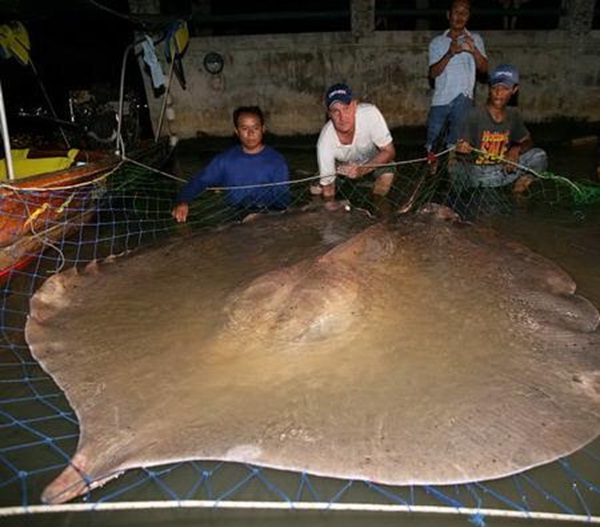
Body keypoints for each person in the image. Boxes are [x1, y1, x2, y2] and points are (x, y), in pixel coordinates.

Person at [172, 106, 290, 223]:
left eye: (255, 128)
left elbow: (283, 200)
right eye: (244, 128)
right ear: (236, 131)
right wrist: (183, 201)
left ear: (263, 129)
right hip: (235, 214)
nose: (250, 133)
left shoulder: (276, 161)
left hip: (267, 215)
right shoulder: (225, 160)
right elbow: (200, 180)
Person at [455, 64, 548, 192]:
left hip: (504, 169)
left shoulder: (513, 114)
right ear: (489, 89)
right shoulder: (474, 114)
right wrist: (463, 151)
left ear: (514, 90)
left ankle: (520, 185)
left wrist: (516, 149)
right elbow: (462, 156)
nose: (498, 93)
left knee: (539, 155)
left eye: (505, 88)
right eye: (495, 88)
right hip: (479, 173)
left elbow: (528, 141)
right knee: (456, 168)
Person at [315, 83, 396, 212]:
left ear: (354, 105)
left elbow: (389, 151)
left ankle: (376, 211)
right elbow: (329, 189)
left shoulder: (370, 114)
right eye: (336, 111)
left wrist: (362, 170)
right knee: (316, 191)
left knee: (387, 175)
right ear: (329, 114)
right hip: (341, 167)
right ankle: (322, 176)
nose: (342, 117)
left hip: (372, 161)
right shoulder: (325, 142)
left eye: (346, 108)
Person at [426, 0, 488, 155]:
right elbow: (432, 73)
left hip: (464, 99)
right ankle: (431, 172)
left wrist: (474, 50)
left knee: (457, 142)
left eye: (464, 12)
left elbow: (485, 69)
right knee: (433, 142)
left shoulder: (475, 39)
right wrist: (449, 53)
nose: (460, 16)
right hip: (441, 99)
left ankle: (453, 172)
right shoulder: (437, 42)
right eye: (456, 12)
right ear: (448, 15)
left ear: (468, 17)